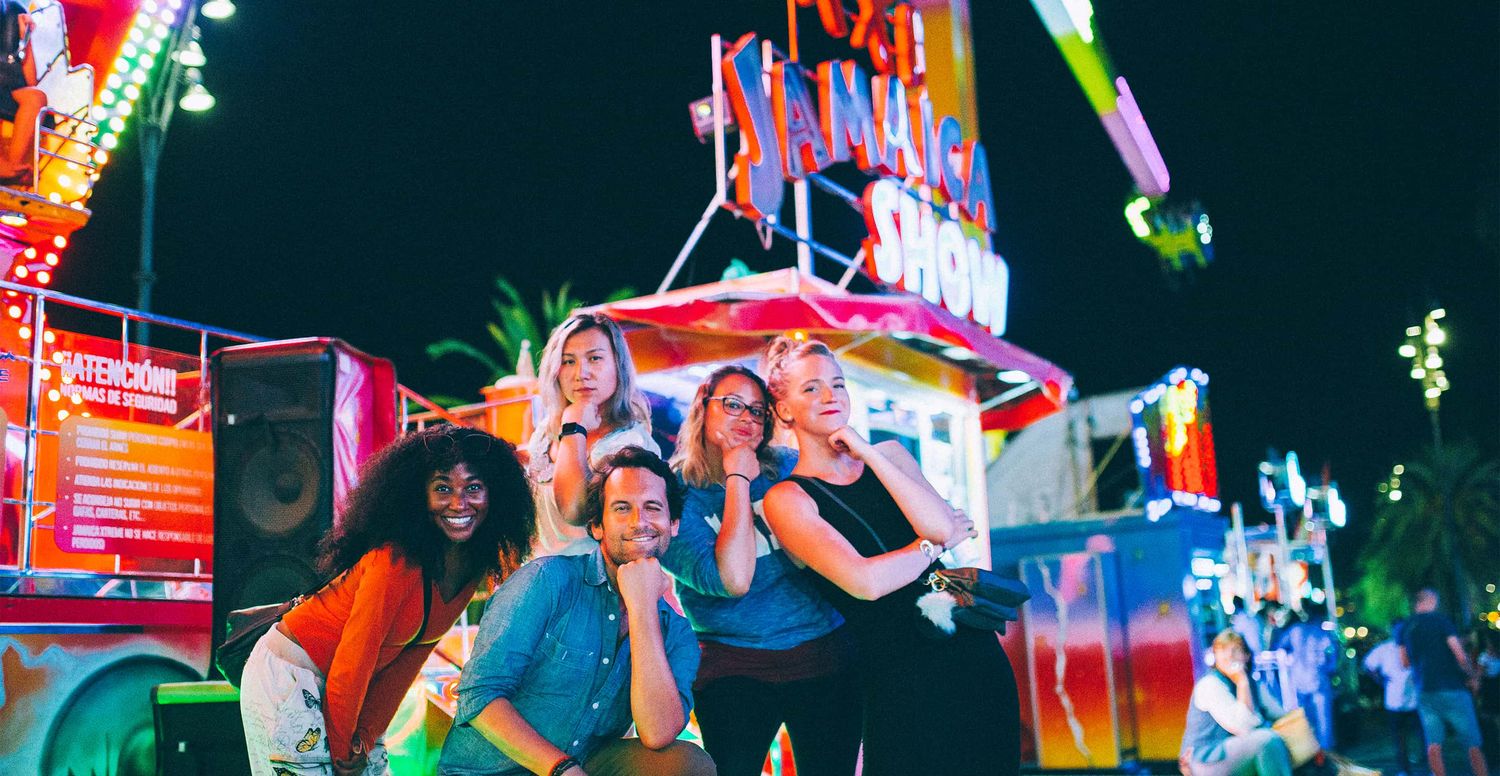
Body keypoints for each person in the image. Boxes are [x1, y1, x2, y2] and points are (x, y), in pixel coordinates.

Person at [759, 336, 1019, 776]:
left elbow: (938, 526)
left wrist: (866, 453)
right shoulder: (788, 498)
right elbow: (866, 582)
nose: (830, 396)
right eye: (811, 388)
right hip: (899, 671)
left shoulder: (890, 454)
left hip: (970, 652)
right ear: (784, 409)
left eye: (838, 384)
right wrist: (930, 547)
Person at [239, 426, 535, 776]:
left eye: (473, 487)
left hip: (349, 692)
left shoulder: (470, 569)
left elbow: (408, 662)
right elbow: (355, 659)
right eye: (443, 488)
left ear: (495, 495)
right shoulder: (394, 561)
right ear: (417, 496)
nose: (459, 503)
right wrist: (341, 751)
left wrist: (364, 738)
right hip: (290, 676)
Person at [439, 446, 714, 776]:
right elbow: (479, 695)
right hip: (492, 770)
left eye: (652, 508)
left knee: (687, 764)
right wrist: (561, 768)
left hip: (587, 763)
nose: (639, 522)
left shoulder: (678, 632)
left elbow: (658, 733)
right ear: (597, 527)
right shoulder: (547, 581)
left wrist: (642, 608)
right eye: (622, 508)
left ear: (673, 524)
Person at [660, 365, 860, 776]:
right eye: (732, 405)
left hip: (823, 651)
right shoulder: (673, 493)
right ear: (703, 405)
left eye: (756, 411)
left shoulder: (789, 467)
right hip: (733, 663)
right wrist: (736, 477)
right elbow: (730, 581)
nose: (746, 419)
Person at [525, 312, 658, 557]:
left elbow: (575, 511)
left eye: (594, 358)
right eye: (568, 361)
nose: (581, 373)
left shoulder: (633, 444)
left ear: (618, 365)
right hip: (541, 579)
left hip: (595, 584)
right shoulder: (545, 431)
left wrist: (574, 427)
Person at [1181, 630, 1294, 776]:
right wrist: (1242, 683)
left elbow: (1280, 714)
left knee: (1286, 741)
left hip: (1233, 752)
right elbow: (1243, 726)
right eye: (1222, 651)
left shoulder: (1254, 684)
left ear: (1246, 656)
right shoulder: (1210, 684)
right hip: (1208, 758)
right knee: (1266, 741)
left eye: (1235, 650)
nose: (1229, 656)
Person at [1402, 588, 1489, 776]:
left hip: (1424, 691)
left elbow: (1405, 662)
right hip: (1452, 688)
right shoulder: (1441, 621)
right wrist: (1472, 676)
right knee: (1472, 743)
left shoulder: (1406, 626)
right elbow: (1459, 654)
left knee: (1433, 744)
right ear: (1431, 601)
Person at [1273, 602, 1337, 750]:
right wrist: (1330, 669)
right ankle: (1326, 754)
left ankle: (1312, 752)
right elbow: (1333, 655)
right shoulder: (1323, 633)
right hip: (1319, 680)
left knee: (1308, 719)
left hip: (1300, 681)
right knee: (1324, 720)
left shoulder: (1295, 630)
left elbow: (1278, 646)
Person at [1364, 619, 1422, 776]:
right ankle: (1404, 769)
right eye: (1396, 629)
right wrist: (1380, 680)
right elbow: (1368, 664)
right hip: (1394, 701)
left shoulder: (1415, 646)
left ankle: (1428, 765)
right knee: (1399, 738)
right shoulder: (1384, 649)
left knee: (1422, 735)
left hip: (1415, 700)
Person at [0, 0, 44, 185]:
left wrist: (26, 37)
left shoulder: (15, 11)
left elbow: (31, 81)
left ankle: (13, 166)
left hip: (6, 85)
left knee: (36, 96)